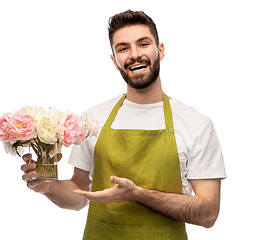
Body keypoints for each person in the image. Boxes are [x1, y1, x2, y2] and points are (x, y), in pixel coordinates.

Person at [21, 10, 226, 239]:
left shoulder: (196, 125)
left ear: (160, 50)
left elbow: (208, 213)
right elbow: (79, 194)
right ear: (114, 60)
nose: (134, 55)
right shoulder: (92, 120)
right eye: (123, 48)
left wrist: (137, 194)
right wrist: (48, 186)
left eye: (143, 44)